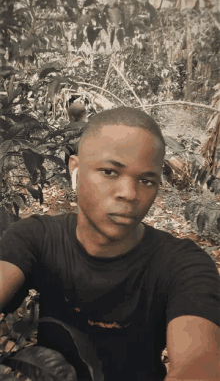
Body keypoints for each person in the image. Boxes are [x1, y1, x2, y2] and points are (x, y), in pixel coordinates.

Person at [0, 107, 219, 381]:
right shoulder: (36, 237)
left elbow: (200, 362)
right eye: (109, 172)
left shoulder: (183, 264)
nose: (129, 194)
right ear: (75, 170)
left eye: (146, 180)